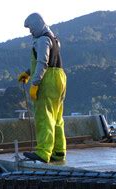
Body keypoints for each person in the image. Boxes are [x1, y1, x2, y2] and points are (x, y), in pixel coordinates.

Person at [17, 13, 67, 163]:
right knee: (57, 118)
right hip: (60, 78)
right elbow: (49, 60)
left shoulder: (42, 40)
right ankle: (58, 151)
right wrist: (28, 72)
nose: (30, 31)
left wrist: (35, 83)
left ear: (38, 24)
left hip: (48, 80)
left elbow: (42, 62)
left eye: (30, 27)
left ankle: (43, 152)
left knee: (44, 117)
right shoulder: (54, 39)